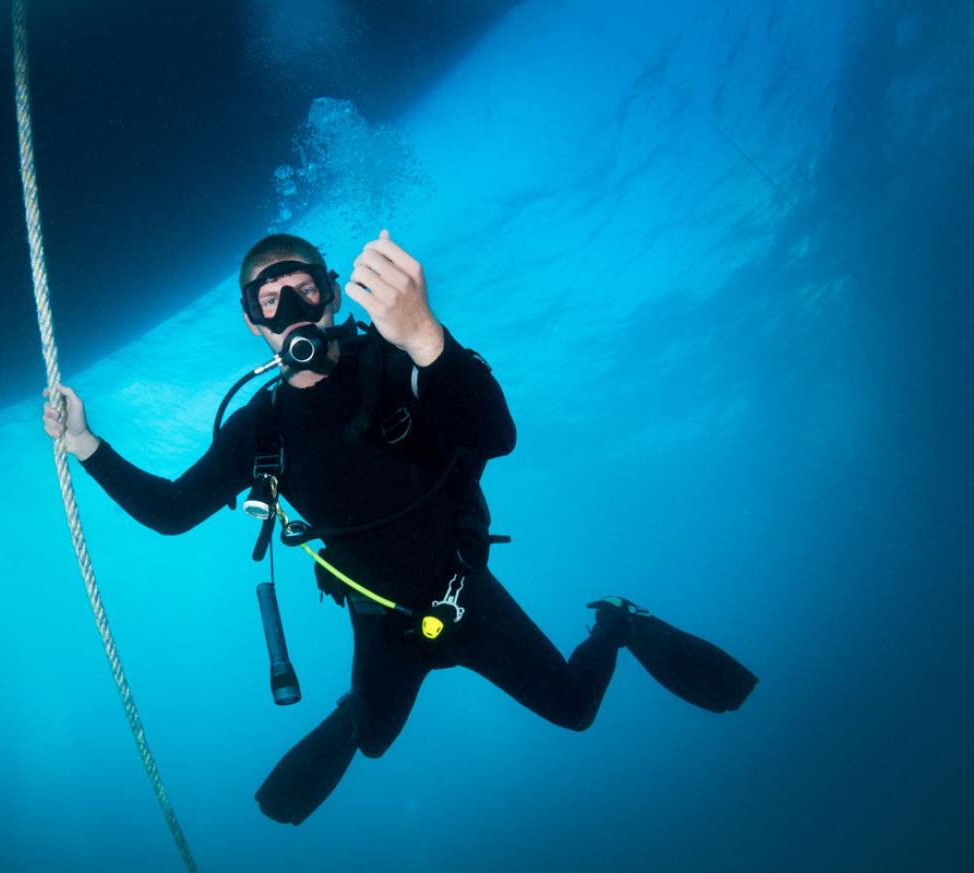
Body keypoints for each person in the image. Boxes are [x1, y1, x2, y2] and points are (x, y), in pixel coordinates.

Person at [42, 230, 757, 824]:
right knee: (375, 741)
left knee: (575, 710)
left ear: (330, 291)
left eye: (304, 289)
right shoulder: (260, 429)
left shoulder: (399, 361)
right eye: (270, 299)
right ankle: (364, 705)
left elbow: (495, 432)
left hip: (463, 596)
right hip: (380, 622)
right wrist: (86, 444)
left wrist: (425, 337)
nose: (291, 307)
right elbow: (171, 511)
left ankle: (617, 625)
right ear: (253, 322)